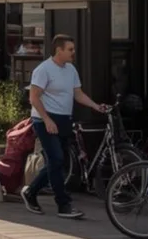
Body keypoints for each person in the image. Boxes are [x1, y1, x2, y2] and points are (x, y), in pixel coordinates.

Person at [22, 35, 108, 220]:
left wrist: (95, 106)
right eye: (70, 49)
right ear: (58, 50)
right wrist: (46, 120)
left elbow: (78, 94)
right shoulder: (43, 70)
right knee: (57, 159)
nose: (73, 53)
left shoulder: (71, 70)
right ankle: (63, 204)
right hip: (44, 120)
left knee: (56, 162)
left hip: (63, 120)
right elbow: (34, 98)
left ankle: (30, 192)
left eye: (73, 49)